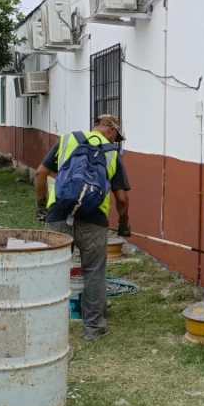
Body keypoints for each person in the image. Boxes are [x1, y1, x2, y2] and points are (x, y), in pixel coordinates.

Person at [35, 114, 131, 341]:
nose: (116, 141)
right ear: (111, 130)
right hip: (94, 218)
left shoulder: (67, 140)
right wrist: (124, 223)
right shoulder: (112, 153)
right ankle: (94, 328)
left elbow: (40, 173)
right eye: (117, 137)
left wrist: (41, 207)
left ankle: (49, 326)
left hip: (59, 213)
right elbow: (122, 198)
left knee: (53, 269)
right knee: (94, 271)